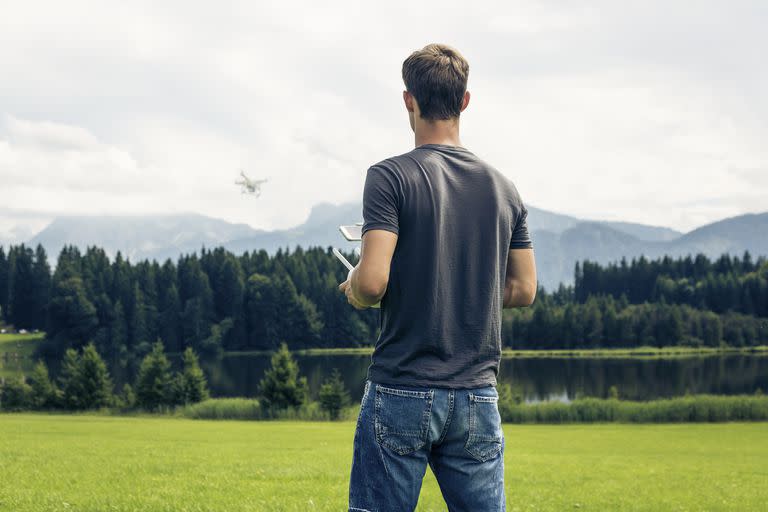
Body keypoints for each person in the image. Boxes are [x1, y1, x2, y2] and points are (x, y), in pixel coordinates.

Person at [338, 43, 537, 512]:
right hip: (476, 396)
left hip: (401, 388)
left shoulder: (389, 177)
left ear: (409, 100)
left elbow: (371, 284)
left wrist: (354, 290)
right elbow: (523, 289)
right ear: (465, 101)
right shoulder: (505, 188)